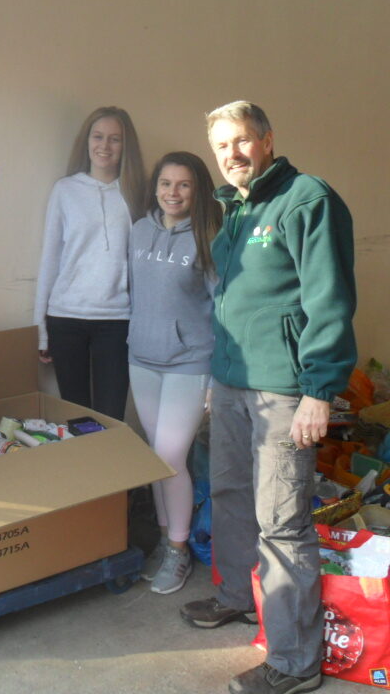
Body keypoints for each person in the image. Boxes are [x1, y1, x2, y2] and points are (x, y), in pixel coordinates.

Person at [180, 101, 356, 694]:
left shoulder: (306, 200)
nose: (231, 155)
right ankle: (236, 596)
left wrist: (319, 390)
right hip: (231, 383)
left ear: (268, 140)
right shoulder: (232, 210)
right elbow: (230, 308)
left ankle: (294, 661)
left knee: (281, 522)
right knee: (230, 495)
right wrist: (215, 376)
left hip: (284, 393)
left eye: (241, 142)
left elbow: (328, 300)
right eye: (221, 146)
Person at [127, 151, 221, 595]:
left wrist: (216, 377)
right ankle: (168, 542)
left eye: (183, 185)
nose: (173, 193)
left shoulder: (208, 237)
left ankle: (179, 552)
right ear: (156, 187)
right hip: (142, 357)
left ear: (197, 190)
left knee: (168, 458)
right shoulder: (139, 231)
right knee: (154, 457)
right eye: (166, 184)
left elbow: (224, 308)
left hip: (190, 362)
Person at [34, 106, 146, 420]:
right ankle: (84, 471)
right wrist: (41, 331)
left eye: (115, 139)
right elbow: (49, 260)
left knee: (111, 418)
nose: (105, 146)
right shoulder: (65, 190)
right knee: (77, 419)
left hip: (118, 321)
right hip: (65, 319)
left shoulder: (137, 193)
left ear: (126, 146)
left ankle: (111, 470)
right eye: (98, 137)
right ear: (87, 141)